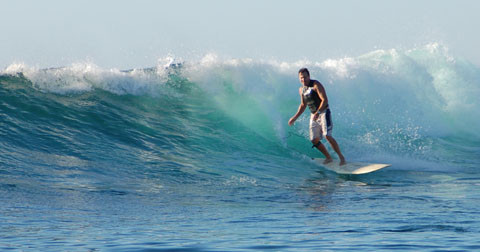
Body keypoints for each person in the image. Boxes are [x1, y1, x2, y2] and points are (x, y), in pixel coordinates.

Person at [288, 68, 346, 165]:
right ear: (299, 78)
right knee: (314, 139)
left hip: (323, 112)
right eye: (301, 78)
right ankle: (328, 157)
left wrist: (318, 112)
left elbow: (324, 100)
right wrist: (294, 117)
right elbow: (303, 105)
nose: (303, 79)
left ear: (309, 76)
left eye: (305, 77)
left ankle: (341, 157)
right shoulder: (301, 90)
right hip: (314, 115)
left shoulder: (316, 85)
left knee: (327, 135)